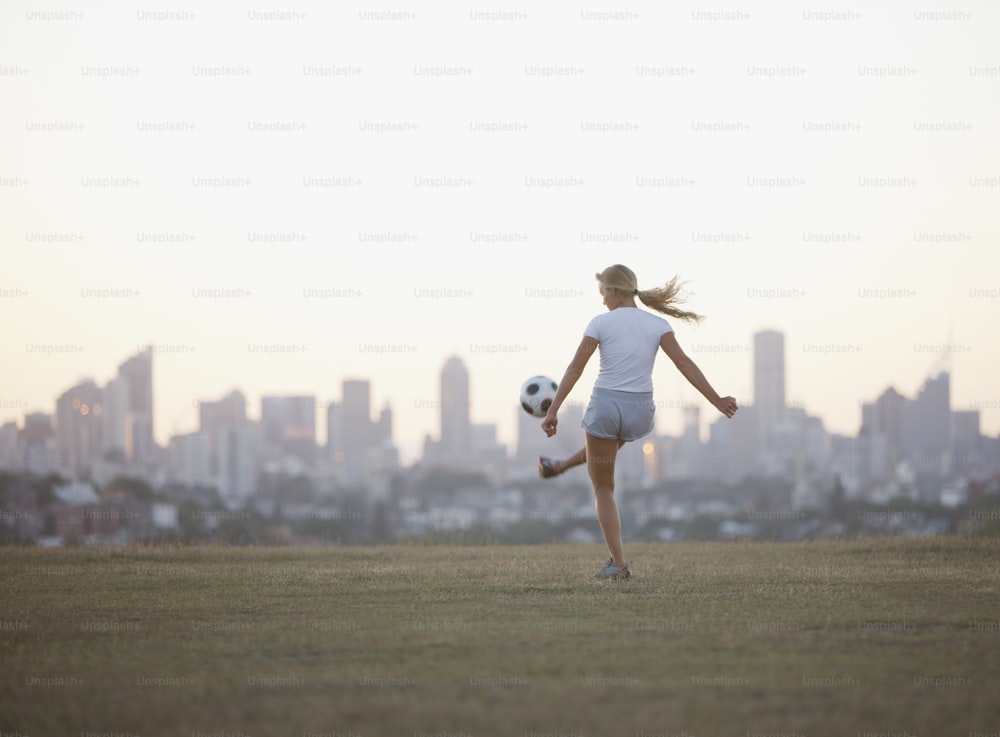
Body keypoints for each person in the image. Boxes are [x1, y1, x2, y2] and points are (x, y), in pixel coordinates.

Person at [539, 264, 738, 580]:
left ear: (614, 291)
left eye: (603, 292)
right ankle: (560, 466)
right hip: (639, 412)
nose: (603, 299)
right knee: (607, 451)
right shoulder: (657, 324)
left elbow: (575, 368)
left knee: (603, 488)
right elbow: (684, 363)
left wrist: (553, 411)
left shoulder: (600, 322)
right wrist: (716, 400)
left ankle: (618, 564)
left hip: (606, 405)